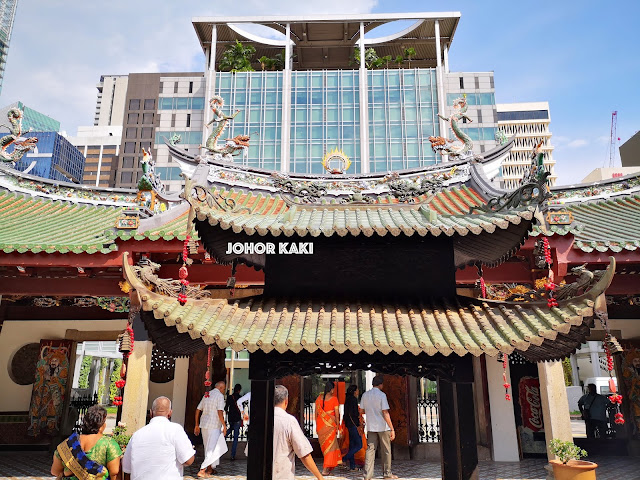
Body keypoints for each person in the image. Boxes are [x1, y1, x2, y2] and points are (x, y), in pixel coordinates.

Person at [122, 397, 194, 479]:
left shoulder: (137, 435)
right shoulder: (175, 429)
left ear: (151, 413)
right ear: (170, 413)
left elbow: (127, 469)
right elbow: (188, 460)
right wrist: (190, 450)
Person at [51, 404, 122, 480]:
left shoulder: (68, 443)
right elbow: (115, 473)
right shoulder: (109, 444)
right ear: (102, 425)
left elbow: (55, 471)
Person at [273, 384, 325, 480]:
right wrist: (320, 477)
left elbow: (249, 452)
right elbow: (304, 453)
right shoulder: (289, 420)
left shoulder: (260, 421)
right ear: (286, 401)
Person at [360, 375, 398, 480]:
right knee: (386, 450)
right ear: (381, 385)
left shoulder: (365, 395)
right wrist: (392, 429)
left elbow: (361, 411)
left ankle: (367, 475)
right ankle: (387, 473)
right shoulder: (382, 395)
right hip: (383, 427)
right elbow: (385, 412)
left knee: (370, 450)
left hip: (371, 426)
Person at [195, 381, 228, 477]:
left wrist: (196, 424)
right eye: (224, 388)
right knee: (212, 449)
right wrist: (224, 425)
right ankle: (202, 470)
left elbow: (198, 409)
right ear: (221, 388)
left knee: (207, 448)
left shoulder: (207, 394)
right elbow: (220, 411)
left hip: (204, 425)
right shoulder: (220, 396)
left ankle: (209, 469)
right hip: (214, 426)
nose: (224, 390)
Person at [315, 380, 342, 475]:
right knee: (330, 447)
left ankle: (328, 467)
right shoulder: (334, 399)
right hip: (330, 426)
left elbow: (316, 414)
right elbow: (337, 415)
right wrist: (338, 426)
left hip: (320, 425)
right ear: (331, 389)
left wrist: (317, 426)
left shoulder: (319, 398)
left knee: (325, 447)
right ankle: (325, 469)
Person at [342, 385, 365, 471]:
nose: (358, 391)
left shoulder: (347, 399)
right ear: (354, 391)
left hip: (349, 424)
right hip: (354, 425)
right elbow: (353, 414)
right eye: (357, 389)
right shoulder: (353, 399)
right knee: (359, 445)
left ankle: (352, 466)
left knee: (352, 445)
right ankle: (344, 459)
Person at [225, 383, 243, 460]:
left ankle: (222, 437)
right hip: (237, 418)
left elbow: (226, 408)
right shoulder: (240, 398)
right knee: (236, 437)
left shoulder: (229, 397)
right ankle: (232, 455)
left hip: (231, 418)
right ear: (239, 390)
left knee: (230, 429)